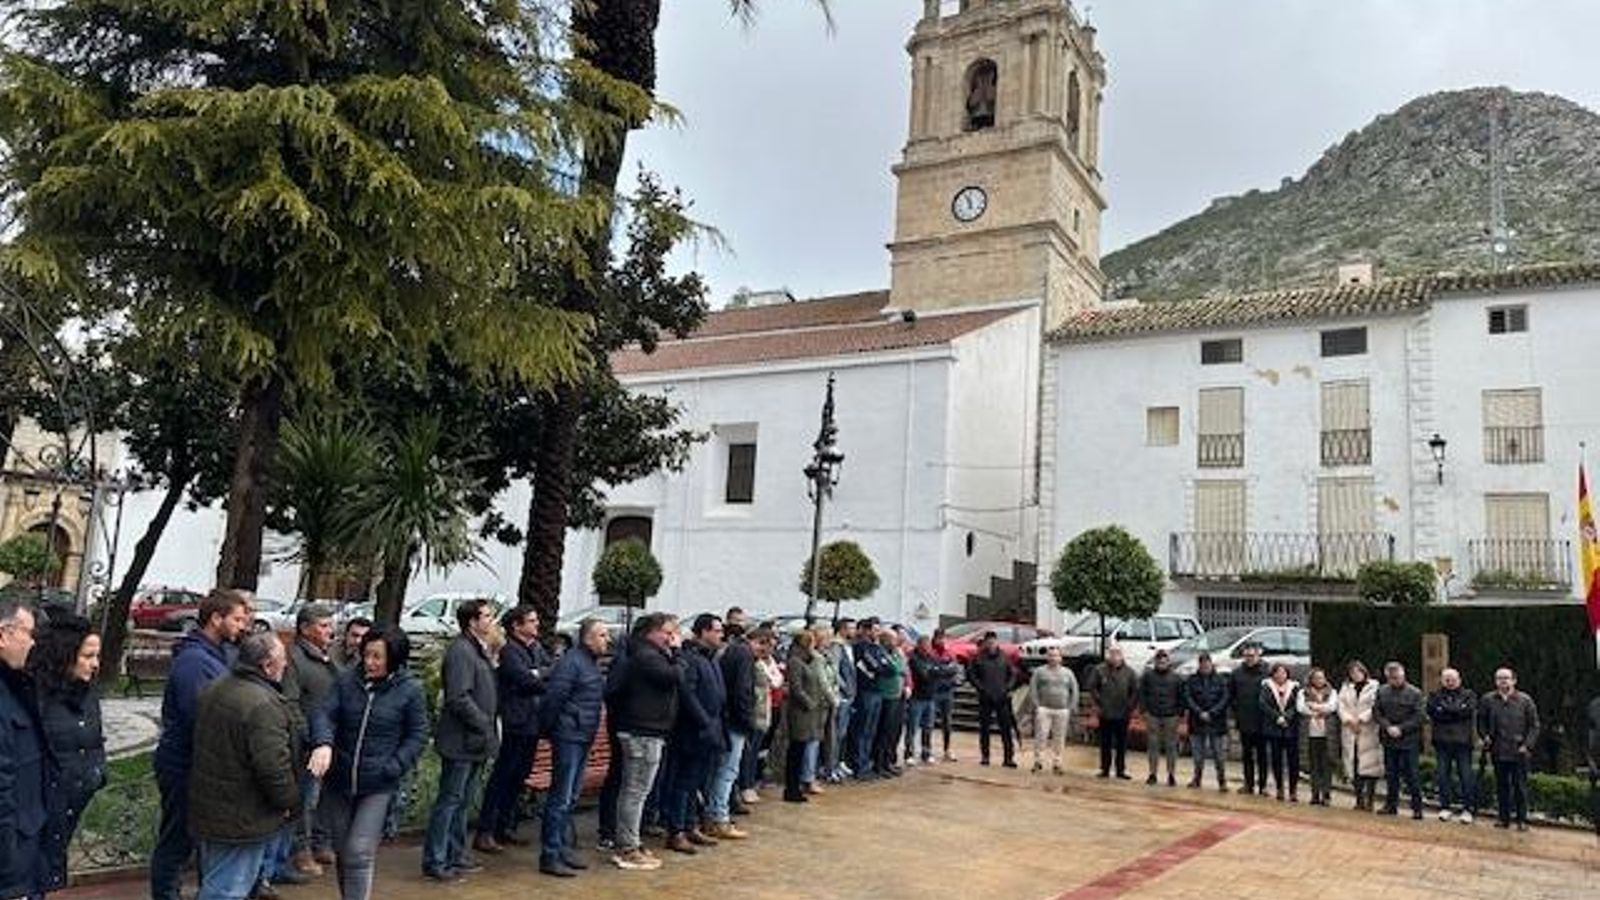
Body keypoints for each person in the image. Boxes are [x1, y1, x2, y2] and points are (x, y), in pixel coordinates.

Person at [308, 626, 428, 900]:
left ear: (394, 659)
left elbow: (417, 734)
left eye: (378, 657)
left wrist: (395, 766)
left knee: (359, 851)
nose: (370, 662)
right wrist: (323, 743)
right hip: (339, 779)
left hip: (378, 784)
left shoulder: (410, 690)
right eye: (367, 655)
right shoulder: (346, 682)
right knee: (343, 852)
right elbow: (324, 714)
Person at [151, 589, 252, 900]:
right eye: (236, 619)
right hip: (183, 765)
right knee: (176, 841)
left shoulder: (214, 654)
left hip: (196, 763)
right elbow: (202, 716)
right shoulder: (196, 661)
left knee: (188, 839)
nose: (242, 626)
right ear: (216, 618)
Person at [188, 633, 301, 900]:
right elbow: (272, 766)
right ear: (267, 665)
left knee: (216, 879)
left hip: (212, 805)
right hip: (243, 813)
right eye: (283, 660)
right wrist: (289, 802)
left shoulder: (218, 687)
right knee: (227, 889)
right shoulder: (262, 705)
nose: (286, 666)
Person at [422, 598, 499, 882]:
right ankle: (436, 859)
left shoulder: (477, 650)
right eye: (487, 616)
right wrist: (483, 723)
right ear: (472, 621)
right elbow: (458, 697)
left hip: (475, 741)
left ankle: (455, 854)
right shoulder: (461, 652)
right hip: (461, 740)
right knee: (450, 801)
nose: (492, 621)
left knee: (463, 801)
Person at [31, 612, 106, 895]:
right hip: (37, 812)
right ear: (65, 654)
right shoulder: (36, 695)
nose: (95, 664)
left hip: (69, 807)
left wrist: (98, 773)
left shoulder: (87, 693)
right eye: (87, 656)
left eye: (96, 656)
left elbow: (94, 739)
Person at [536, 618, 610, 877]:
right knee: (561, 797)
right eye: (602, 635)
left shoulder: (589, 664)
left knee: (571, 796)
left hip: (582, 735)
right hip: (569, 736)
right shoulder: (571, 663)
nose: (607, 640)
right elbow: (554, 698)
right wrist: (550, 729)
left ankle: (562, 848)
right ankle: (550, 853)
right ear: (588, 637)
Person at [474, 605, 551, 854]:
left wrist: (539, 674)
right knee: (503, 776)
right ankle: (485, 830)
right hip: (514, 723)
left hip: (533, 723)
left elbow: (549, 673)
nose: (536, 624)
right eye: (531, 621)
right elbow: (525, 680)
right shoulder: (510, 651)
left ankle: (504, 826)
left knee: (519, 776)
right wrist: (537, 676)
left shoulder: (536, 649)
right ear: (517, 626)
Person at [611, 612, 680, 870]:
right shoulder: (646, 656)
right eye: (667, 631)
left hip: (649, 730)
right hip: (642, 730)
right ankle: (627, 846)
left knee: (637, 790)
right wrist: (678, 653)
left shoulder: (648, 654)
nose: (671, 637)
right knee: (635, 790)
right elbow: (673, 676)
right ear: (652, 631)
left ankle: (631, 840)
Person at [278, 603, 340, 879]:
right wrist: (310, 739)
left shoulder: (330, 656)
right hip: (307, 746)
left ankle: (319, 843)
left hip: (331, 740)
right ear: (305, 629)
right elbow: (291, 704)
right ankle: (299, 851)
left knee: (324, 798)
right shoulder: (294, 659)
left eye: (331, 624)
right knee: (306, 800)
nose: (331, 630)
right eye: (324, 625)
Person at [664, 614, 726, 855]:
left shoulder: (710, 658)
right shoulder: (691, 658)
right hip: (693, 732)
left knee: (695, 782)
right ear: (703, 632)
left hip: (710, 729)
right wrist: (704, 722)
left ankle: (690, 824)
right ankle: (676, 830)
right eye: (717, 631)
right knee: (683, 782)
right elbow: (687, 695)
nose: (721, 635)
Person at [0, 597, 45, 900]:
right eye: (28, 633)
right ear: (4, 634)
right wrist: (9, 868)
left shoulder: (14, 685)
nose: (32, 644)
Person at [708, 618, 756, 834]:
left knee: (721, 769)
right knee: (728, 770)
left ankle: (715, 813)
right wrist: (747, 721)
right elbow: (742, 691)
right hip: (735, 721)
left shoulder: (729, 652)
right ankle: (719, 816)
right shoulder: (744, 655)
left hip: (726, 718)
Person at [1478, 667, 1540, 831]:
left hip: (1519, 751)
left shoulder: (1525, 700)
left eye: (1506, 678)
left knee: (1520, 787)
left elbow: (1534, 726)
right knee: (1501, 786)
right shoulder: (1488, 699)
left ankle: (1522, 820)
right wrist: (1484, 736)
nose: (1502, 681)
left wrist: (1527, 745)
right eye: (1499, 678)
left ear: (1514, 680)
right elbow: (1481, 721)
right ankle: (1503, 818)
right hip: (1498, 750)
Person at [1427, 667, 1479, 823]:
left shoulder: (1469, 695)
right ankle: (1445, 807)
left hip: (1463, 743)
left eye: (1453, 679)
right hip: (1442, 742)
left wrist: (1445, 710)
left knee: (1465, 776)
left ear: (1459, 679)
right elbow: (1433, 712)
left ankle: (1467, 809)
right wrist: (1455, 710)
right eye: (1447, 680)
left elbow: (1467, 711)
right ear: (1442, 681)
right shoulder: (1434, 695)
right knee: (1443, 776)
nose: (1450, 682)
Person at [1373, 661, 1424, 819]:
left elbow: (1419, 716)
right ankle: (1391, 805)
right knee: (1391, 774)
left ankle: (1417, 808)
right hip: (1389, 739)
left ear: (1403, 675)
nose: (1394, 680)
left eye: (1397, 677)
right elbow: (1377, 712)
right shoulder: (1382, 691)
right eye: (1391, 678)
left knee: (1412, 775)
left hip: (1408, 740)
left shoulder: (1415, 693)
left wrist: (1401, 728)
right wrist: (1387, 726)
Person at [782, 629, 826, 803]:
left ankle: (797, 786)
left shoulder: (809, 660)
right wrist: (810, 703)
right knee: (796, 750)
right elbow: (796, 688)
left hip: (810, 713)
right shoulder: (795, 661)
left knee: (801, 749)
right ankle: (791, 788)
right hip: (800, 713)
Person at [968, 632, 1019, 768]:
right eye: (989, 642)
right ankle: (985, 756)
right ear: (985, 643)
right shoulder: (978, 658)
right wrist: (981, 689)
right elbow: (972, 676)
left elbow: (1012, 674)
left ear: (997, 642)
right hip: (985, 698)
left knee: (1006, 729)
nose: (991, 645)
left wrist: (1008, 688)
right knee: (984, 728)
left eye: (993, 642)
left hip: (1002, 698)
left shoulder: (1004, 657)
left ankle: (1008, 758)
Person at [1086, 646, 1138, 779]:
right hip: (1105, 713)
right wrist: (1099, 702)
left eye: (1117, 653)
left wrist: (1130, 706)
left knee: (1121, 744)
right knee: (1105, 743)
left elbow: (1135, 691)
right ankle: (1105, 769)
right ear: (1108, 655)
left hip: (1123, 713)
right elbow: (1092, 687)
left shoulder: (1130, 672)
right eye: (1112, 653)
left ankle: (1120, 770)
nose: (1114, 656)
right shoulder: (1099, 670)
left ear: (1122, 655)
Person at [1337, 661, 1383, 811]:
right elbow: (1340, 705)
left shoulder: (1374, 686)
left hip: (1368, 729)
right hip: (1350, 729)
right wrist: (1349, 720)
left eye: (1358, 672)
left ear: (1364, 672)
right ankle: (1359, 799)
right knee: (1355, 765)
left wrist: (1361, 719)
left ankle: (1370, 799)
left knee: (1370, 767)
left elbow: (1375, 706)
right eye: (1352, 673)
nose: (1355, 675)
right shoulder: (1345, 687)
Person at [1181, 651, 1229, 791]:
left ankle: (1222, 781)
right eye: (1202, 664)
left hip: (1217, 723)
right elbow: (1188, 697)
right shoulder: (1192, 680)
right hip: (1197, 722)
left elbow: (1225, 698)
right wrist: (1199, 712)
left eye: (1207, 663)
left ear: (1211, 664)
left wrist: (1212, 713)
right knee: (1197, 756)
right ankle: (1197, 779)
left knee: (1219, 756)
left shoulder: (1221, 680)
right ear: (1199, 665)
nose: (1205, 666)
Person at [1028, 647, 1078, 775]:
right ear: (1047, 657)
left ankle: (1057, 763)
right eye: (1051, 656)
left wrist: (1071, 707)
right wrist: (1037, 705)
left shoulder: (1068, 673)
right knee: (1041, 736)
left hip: (1062, 710)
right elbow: (1033, 689)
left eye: (1056, 656)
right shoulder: (1039, 672)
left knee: (1059, 738)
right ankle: (1038, 761)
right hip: (1044, 709)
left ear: (1061, 658)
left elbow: (1074, 690)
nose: (1053, 658)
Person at [1228, 642, 1269, 795]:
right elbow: (1231, 695)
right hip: (1244, 720)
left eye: (1252, 656)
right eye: (1247, 656)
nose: (1250, 658)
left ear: (1258, 655)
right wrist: (1235, 712)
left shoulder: (1266, 672)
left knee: (1263, 755)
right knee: (1247, 755)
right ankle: (1248, 784)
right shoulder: (1237, 673)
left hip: (1262, 721)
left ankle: (1263, 785)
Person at [851, 619, 890, 778]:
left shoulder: (878, 647)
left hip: (877, 691)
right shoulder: (860, 647)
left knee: (871, 731)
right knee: (862, 730)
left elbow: (889, 668)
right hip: (865, 691)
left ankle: (866, 763)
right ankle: (859, 766)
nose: (877, 633)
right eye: (874, 630)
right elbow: (874, 666)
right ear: (866, 631)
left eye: (878, 630)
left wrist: (881, 667)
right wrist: (880, 667)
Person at [1258, 662, 1301, 802]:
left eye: (1283, 672)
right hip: (1273, 728)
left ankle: (1293, 790)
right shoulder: (1267, 686)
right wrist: (1277, 717)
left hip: (1290, 728)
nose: (1280, 675)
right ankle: (1279, 788)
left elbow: (1297, 705)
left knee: (1293, 761)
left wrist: (1286, 717)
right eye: (1278, 672)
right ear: (1273, 673)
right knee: (1276, 760)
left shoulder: (1294, 687)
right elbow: (1263, 704)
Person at [744, 628, 778, 803]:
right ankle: (746, 785)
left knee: (759, 750)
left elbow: (778, 680)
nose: (772, 649)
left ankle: (754, 780)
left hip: (766, 711)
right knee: (750, 752)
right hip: (756, 711)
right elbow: (772, 681)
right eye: (769, 645)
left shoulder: (769, 661)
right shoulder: (756, 664)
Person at [1139, 649, 1183, 786]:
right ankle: (1152, 773)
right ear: (1155, 662)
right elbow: (1142, 694)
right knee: (1153, 746)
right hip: (1153, 715)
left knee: (1171, 747)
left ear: (1168, 662)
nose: (1162, 664)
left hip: (1171, 716)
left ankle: (1171, 774)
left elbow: (1181, 696)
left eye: (1164, 662)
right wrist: (1144, 711)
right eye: (1159, 662)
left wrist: (1178, 714)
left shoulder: (1176, 678)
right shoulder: (1148, 676)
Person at [1297, 667, 1337, 806]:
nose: (1319, 680)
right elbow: (1301, 707)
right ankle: (1315, 794)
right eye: (1316, 678)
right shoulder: (1303, 692)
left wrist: (1313, 706)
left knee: (1326, 765)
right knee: (1313, 765)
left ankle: (1326, 794)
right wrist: (1320, 708)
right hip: (1311, 734)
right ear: (1311, 679)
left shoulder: (1332, 692)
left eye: (1321, 677)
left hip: (1327, 734)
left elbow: (1332, 707)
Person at [872, 630, 908, 777]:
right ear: (886, 640)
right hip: (886, 696)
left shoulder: (895, 653)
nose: (896, 642)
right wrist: (899, 668)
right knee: (883, 732)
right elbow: (894, 669)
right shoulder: (882, 653)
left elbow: (903, 668)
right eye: (893, 639)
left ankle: (888, 763)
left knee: (891, 732)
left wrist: (899, 666)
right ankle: (879, 764)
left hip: (896, 696)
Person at [824, 619, 856, 781]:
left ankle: (838, 763)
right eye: (851, 628)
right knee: (836, 734)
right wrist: (845, 690)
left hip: (849, 696)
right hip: (841, 697)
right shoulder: (837, 647)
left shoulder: (847, 646)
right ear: (842, 630)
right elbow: (835, 672)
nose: (854, 631)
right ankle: (831, 767)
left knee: (842, 734)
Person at [809, 624, 840, 790]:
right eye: (828, 638)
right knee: (814, 741)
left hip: (829, 704)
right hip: (820, 704)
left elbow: (834, 678)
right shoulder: (815, 657)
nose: (830, 641)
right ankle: (810, 775)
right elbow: (822, 682)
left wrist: (836, 696)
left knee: (828, 740)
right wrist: (833, 698)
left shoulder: (827, 655)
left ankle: (822, 770)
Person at [928, 630, 961, 762]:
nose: (941, 641)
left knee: (947, 722)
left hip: (947, 691)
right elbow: (931, 670)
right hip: (934, 691)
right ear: (934, 639)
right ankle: (927, 750)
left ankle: (947, 750)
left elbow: (954, 668)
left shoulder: (949, 652)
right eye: (939, 638)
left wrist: (941, 669)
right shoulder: (930, 652)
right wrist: (944, 669)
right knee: (929, 723)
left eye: (943, 638)